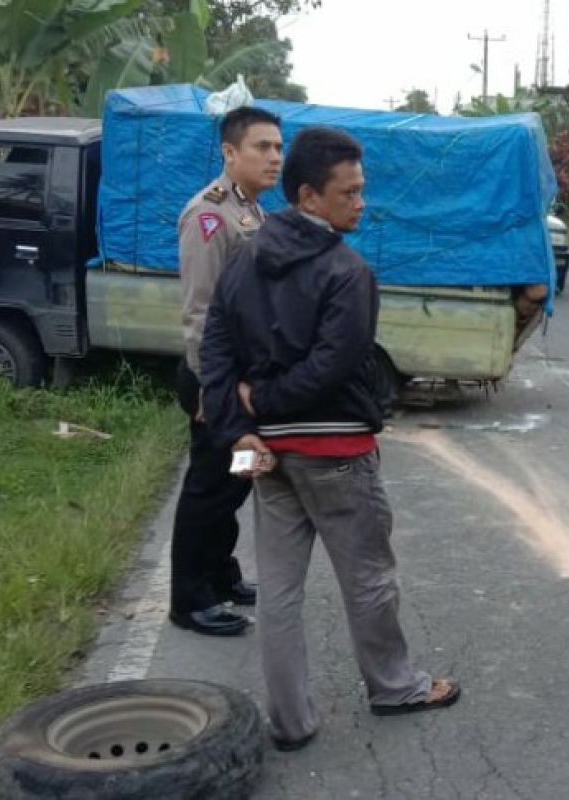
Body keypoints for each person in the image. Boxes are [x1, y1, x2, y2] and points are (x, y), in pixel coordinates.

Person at [199, 126, 460, 752]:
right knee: (368, 578)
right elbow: (336, 366)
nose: (361, 203)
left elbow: (215, 349)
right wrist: (262, 402)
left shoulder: (244, 257)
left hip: (265, 455)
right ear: (311, 196)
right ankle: (395, 687)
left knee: (281, 591)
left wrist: (243, 425)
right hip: (337, 453)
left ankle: (290, 722)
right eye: (351, 192)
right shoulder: (348, 271)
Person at [169, 106, 284, 636]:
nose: (274, 158)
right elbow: (200, 312)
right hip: (217, 384)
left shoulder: (253, 212)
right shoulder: (209, 217)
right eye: (262, 147)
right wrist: (212, 392)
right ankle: (189, 600)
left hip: (243, 383)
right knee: (209, 488)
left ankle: (220, 575)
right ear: (230, 153)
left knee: (236, 483)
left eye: (278, 148)